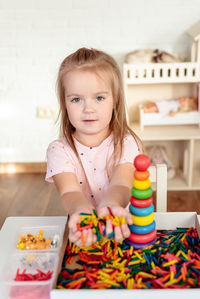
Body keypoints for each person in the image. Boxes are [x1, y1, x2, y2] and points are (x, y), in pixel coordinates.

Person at [45, 47, 143, 247]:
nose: (88, 108)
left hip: (125, 230)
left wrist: (110, 205)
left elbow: (121, 184)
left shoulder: (126, 143)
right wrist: (83, 214)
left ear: (114, 101)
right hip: (84, 233)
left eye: (99, 98)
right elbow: (69, 192)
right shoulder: (58, 150)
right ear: (64, 104)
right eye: (76, 99)